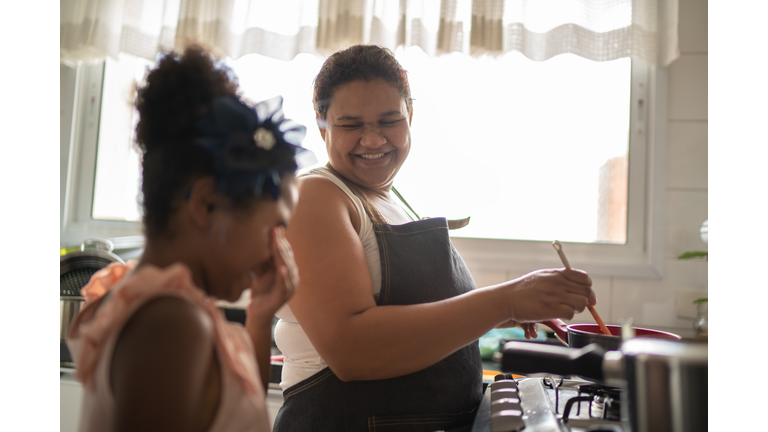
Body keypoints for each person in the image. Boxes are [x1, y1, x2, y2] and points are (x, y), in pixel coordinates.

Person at [272, 44, 597, 432]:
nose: (373, 139)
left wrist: (512, 309)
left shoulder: (391, 199)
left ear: (411, 114)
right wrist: (504, 299)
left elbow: (410, 320)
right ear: (322, 124)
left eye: (389, 119)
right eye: (351, 124)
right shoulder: (314, 197)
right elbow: (352, 350)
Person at [66, 46, 314, 432]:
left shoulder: (134, 296)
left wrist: (261, 318)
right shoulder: (172, 323)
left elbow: (223, 407)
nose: (276, 248)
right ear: (207, 204)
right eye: (273, 227)